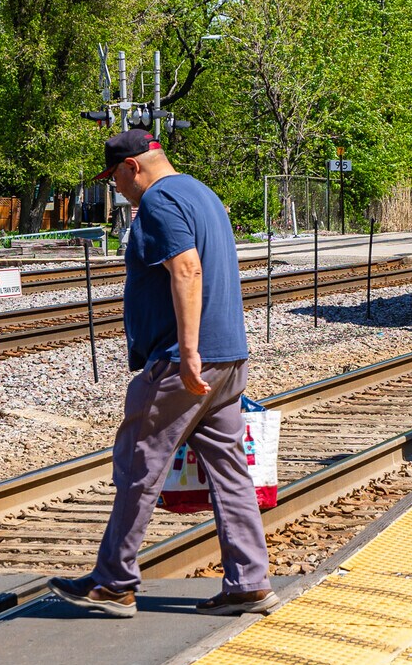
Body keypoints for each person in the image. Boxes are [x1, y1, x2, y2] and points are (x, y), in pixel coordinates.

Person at [50, 128, 276, 617]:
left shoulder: (159, 201)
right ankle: (249, 582)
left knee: (138, 464)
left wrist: (188, 352)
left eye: (114, 178)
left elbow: (187, 269)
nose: (115, 189)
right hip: (228, 358)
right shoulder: (202, 193)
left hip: (184, 363)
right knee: (230, 472)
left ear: (132, 167)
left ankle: (114, 582)